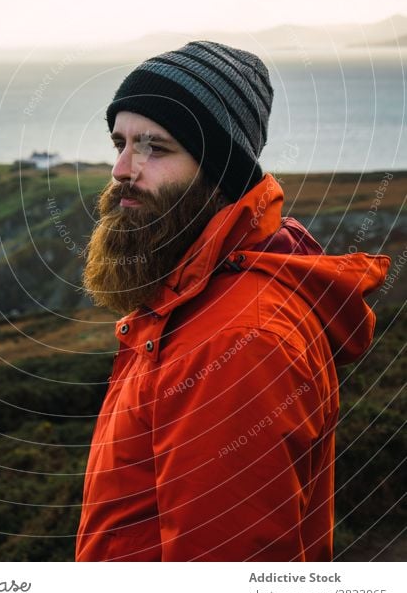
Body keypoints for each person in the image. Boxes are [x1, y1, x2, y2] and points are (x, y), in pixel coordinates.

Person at [75, 41, 390, 562]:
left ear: (219, 169)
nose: (123, 169)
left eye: (156, 147)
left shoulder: (241, 343)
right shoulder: (195, 290)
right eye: (120, 143)